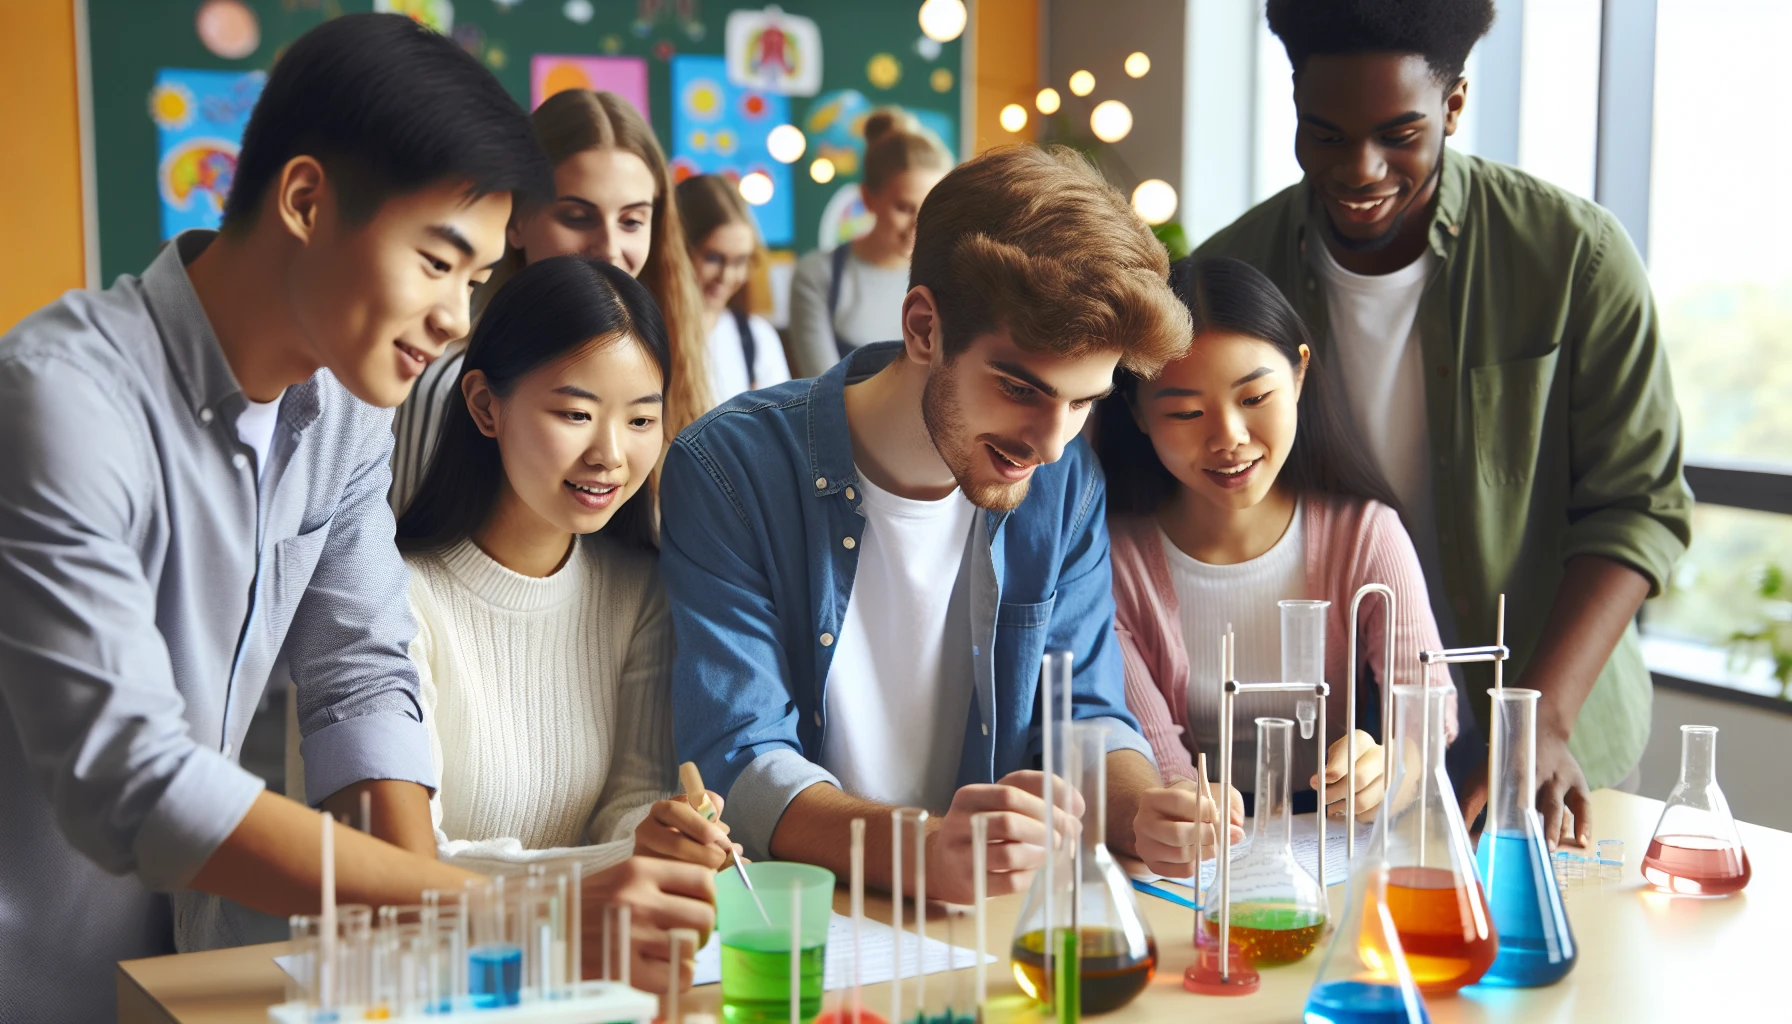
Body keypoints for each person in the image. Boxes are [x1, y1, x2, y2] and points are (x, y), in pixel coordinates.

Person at [0, 19, 708, 1021]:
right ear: (303, 200)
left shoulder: (341, 411)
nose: (460, 319)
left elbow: (359, 681)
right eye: (437, 261)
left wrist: (448, 955)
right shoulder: (61, 399)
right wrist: (515, 914)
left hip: (185, 980)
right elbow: (132, 778)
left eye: (475, 278)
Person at [1196, 0, 1692, 848]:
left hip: (1550, 743)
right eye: (1324, 133)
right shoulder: (1235, 273)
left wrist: (1539, 718)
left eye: (1399, 133)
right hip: (1347, 762)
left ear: (1454, 104)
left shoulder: (1575, 257)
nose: (1359, 168)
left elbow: (1639, 507)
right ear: (1293, 103)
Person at [662, 145, 1194, 904]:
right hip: (801, 926)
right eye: (1020, 388)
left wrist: (1146, 812)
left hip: (984, 926)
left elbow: (1083, 715)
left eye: (1083, 403)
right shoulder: (728, 468)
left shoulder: (1065, 479)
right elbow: (738, 761)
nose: (1049, 443)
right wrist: (925, 850)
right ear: (923, 327)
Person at [394, 256, 725, 987]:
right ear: (485, 406)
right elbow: (407, 867)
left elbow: (630, 797)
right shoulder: (396, 599)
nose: (610, 453)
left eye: (641, 418)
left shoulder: (637, 588)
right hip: (421, 979)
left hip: (574, 978)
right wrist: (614, 871)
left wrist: (662, 833)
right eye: (575, 413)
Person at [1098, 256, 1457, 878]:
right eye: (1185, 413)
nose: (1228, 437)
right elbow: (1155, 762)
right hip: (1192, 879)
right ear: (1136, 415)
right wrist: (1176, 812)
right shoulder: (1111, 559)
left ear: (1299, 374)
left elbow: (1425, 724)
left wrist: (1388, 772)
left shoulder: (1365, 536)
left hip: (1335, 865)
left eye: (1256, 396)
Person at [391, 89, 712, 512]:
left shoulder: (677, 367)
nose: (610, 248)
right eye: (576, 217)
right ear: (518, 219)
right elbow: (406, 549)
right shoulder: (452, 383)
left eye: (632, 221)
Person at [786, 109, 950, 378]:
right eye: (904, 208)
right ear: (867, 197)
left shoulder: (950, 278)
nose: (918, 224)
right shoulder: (818, 276)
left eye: (930, 208)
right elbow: (823, 393)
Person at [675, 173, 792, 401]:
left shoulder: (758, 337)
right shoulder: (648, 334)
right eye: (713, 258)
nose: (726, 277)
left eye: (740, 261)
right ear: (679, 250)